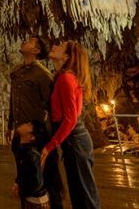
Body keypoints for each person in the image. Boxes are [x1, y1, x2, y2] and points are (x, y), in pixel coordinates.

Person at [40, 41, 101, 209]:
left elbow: (70, 119)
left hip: (75, 138)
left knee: (85, 195)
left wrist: (49, 147)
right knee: (79, 193)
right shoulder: (63, 77)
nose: (54, 46)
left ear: (66, 57)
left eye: (60, 46)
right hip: (73, 139)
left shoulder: (66, 78)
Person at [7, 36, 63, 209]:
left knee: (46, 181)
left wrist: (50, 141)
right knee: (24, 179)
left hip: (37, 137)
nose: (24, 41)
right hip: (20, 134)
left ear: (36, 51)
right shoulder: (17, 70)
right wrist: (10, 125)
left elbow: (52, 107)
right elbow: (13, 99)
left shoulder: (43, 75)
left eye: (30, 41)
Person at [13, 120, 52, 209]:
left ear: (31, 136)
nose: (24, 123)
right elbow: (22, 171)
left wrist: (22, 192)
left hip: (37, 202)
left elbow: (37, 182)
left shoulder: (32, 155)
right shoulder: (22, 150)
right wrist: (17, 183)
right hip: (30, 199)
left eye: (28, 124)